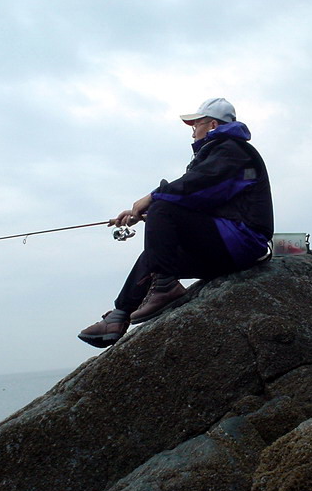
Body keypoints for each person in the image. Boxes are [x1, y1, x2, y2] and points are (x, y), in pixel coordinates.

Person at [79, 98, 274, 348]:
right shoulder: (220, 152)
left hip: (244, 240)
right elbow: (204, 198)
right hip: (227, 244)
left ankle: (165, 287)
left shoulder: (232, 149)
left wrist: (150, 200)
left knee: (163, 206)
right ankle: (120, 315)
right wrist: (149, 214)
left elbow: (196, 186)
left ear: (212, 124)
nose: (192, 130)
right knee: (157, 247)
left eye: (195, 124)